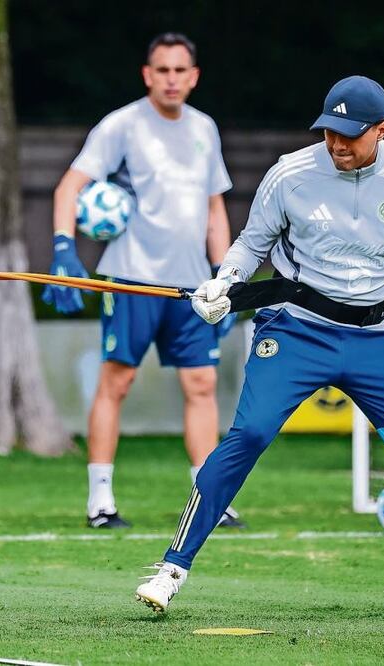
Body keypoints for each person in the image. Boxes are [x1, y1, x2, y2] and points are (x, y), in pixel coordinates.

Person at [135, 75, 384, 623]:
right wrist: (225, 283)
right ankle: (171, 570)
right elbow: (251, 244)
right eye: (329, 132)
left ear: (383, 130)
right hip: (296, 330)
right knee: (249, 433)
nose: (336, 144)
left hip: (374, 337)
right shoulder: (290, 173)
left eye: (350, 135)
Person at [43, 32, 243, 530]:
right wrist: (64, 248)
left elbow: (214, 210)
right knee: (117, 381)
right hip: (132, 279)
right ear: (147, 75)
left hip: (193, 286)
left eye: (180, 70)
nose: (171, 79)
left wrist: (225, 277)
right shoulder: (123, 125)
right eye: (163, 70)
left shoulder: (205, 128)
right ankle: (101, 501)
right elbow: (69, 188)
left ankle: (209, 499)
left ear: (193, 77)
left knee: (202, 384)